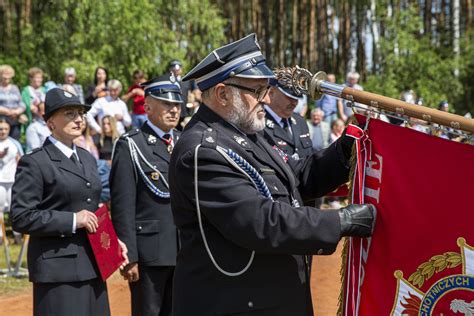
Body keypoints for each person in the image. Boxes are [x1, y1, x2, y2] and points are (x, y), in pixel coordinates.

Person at [168, 33, 376, 316]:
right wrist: (341, 220)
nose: (266, 99)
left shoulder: (247, 132)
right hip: (234, 304)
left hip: (271, 297)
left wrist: (346, 147)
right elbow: (260, 221)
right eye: (256, 91)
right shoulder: (202, 151)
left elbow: (299, 179)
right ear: (222, 94)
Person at [10, 88, 128, 315]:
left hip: (93, 264)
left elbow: (93, 207)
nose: (78, 119)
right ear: (50, 122)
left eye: (81, 114)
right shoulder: (35, 162)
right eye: (69, 113)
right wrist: (73, 220)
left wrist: (111, 241)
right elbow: (21, 216)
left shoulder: (86, 157)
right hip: (58, 270)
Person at [110, 75, 182, 316]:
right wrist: (128, 255)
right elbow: (123, 204)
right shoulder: (131, 144)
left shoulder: (184, 142)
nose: (173, 110)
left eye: (177, 105)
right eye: (166, 104)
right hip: (150, 251)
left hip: (185, 250)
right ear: (148, 106)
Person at [263, 78, 314, 163]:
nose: (294, 103)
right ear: (271, 93)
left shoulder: (300, 122)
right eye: (289, 97)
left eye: (297, 99)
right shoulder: (258, 124)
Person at [0, 117, 22, 244]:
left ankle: (17, 236)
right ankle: (2, 237)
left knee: (14, 208)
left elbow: (21, 160)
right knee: (0, 209)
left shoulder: (15, 143)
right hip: (0, 181)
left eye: (5, 129)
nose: (3, 131)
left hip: (12, 180)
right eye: (0, 129)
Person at [0, 65, 26, 140]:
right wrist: (7, 111)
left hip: (15, 121)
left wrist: (17, 111)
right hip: (1, 121)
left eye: (8, 74)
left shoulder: (15, 88)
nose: (6, 76)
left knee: (15, 143)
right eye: (4, 74)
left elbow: (22, 104)